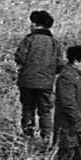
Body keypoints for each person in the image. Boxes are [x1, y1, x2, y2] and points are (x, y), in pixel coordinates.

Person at [13, 9, 62, 142]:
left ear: (35, 24)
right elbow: (60, 64)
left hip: (27, 81)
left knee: (28, 108)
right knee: (45, 110)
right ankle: (46, 137)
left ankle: (28, 135)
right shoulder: (54, 43)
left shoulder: (28, 40)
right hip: (46, 82)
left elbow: (20, 57)